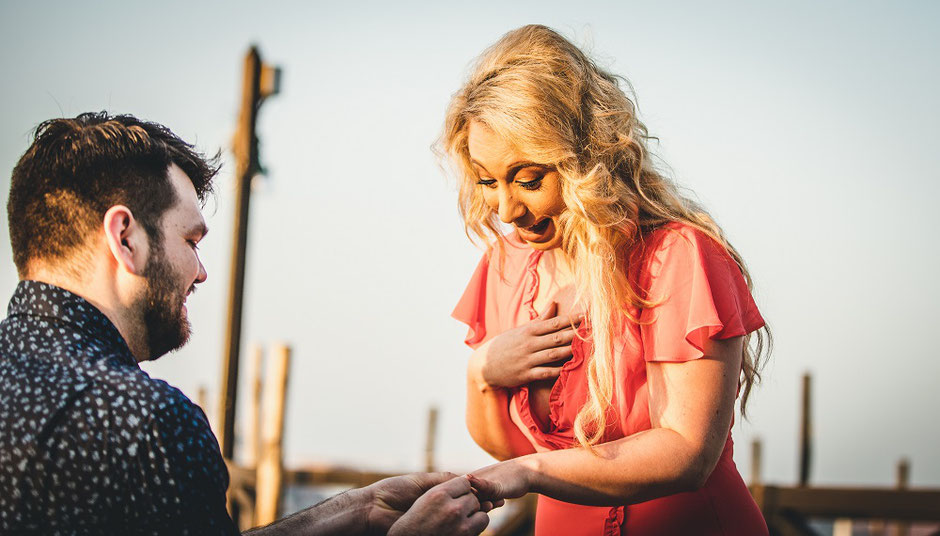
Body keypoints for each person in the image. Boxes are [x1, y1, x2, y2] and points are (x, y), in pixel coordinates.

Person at [0, 112, 497, 536]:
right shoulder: (148, 422)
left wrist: (357, 511)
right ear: (125, 237)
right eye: (191, 241)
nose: (200, 271)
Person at [444, 25, 771, 535]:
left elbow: (688, 453)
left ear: (585, 161)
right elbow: (507, 448)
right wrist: (481, 372)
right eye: (489, 181)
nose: (507, 210)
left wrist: (529, 472)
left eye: (529, 180)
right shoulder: (505, 266)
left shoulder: (677, 256)